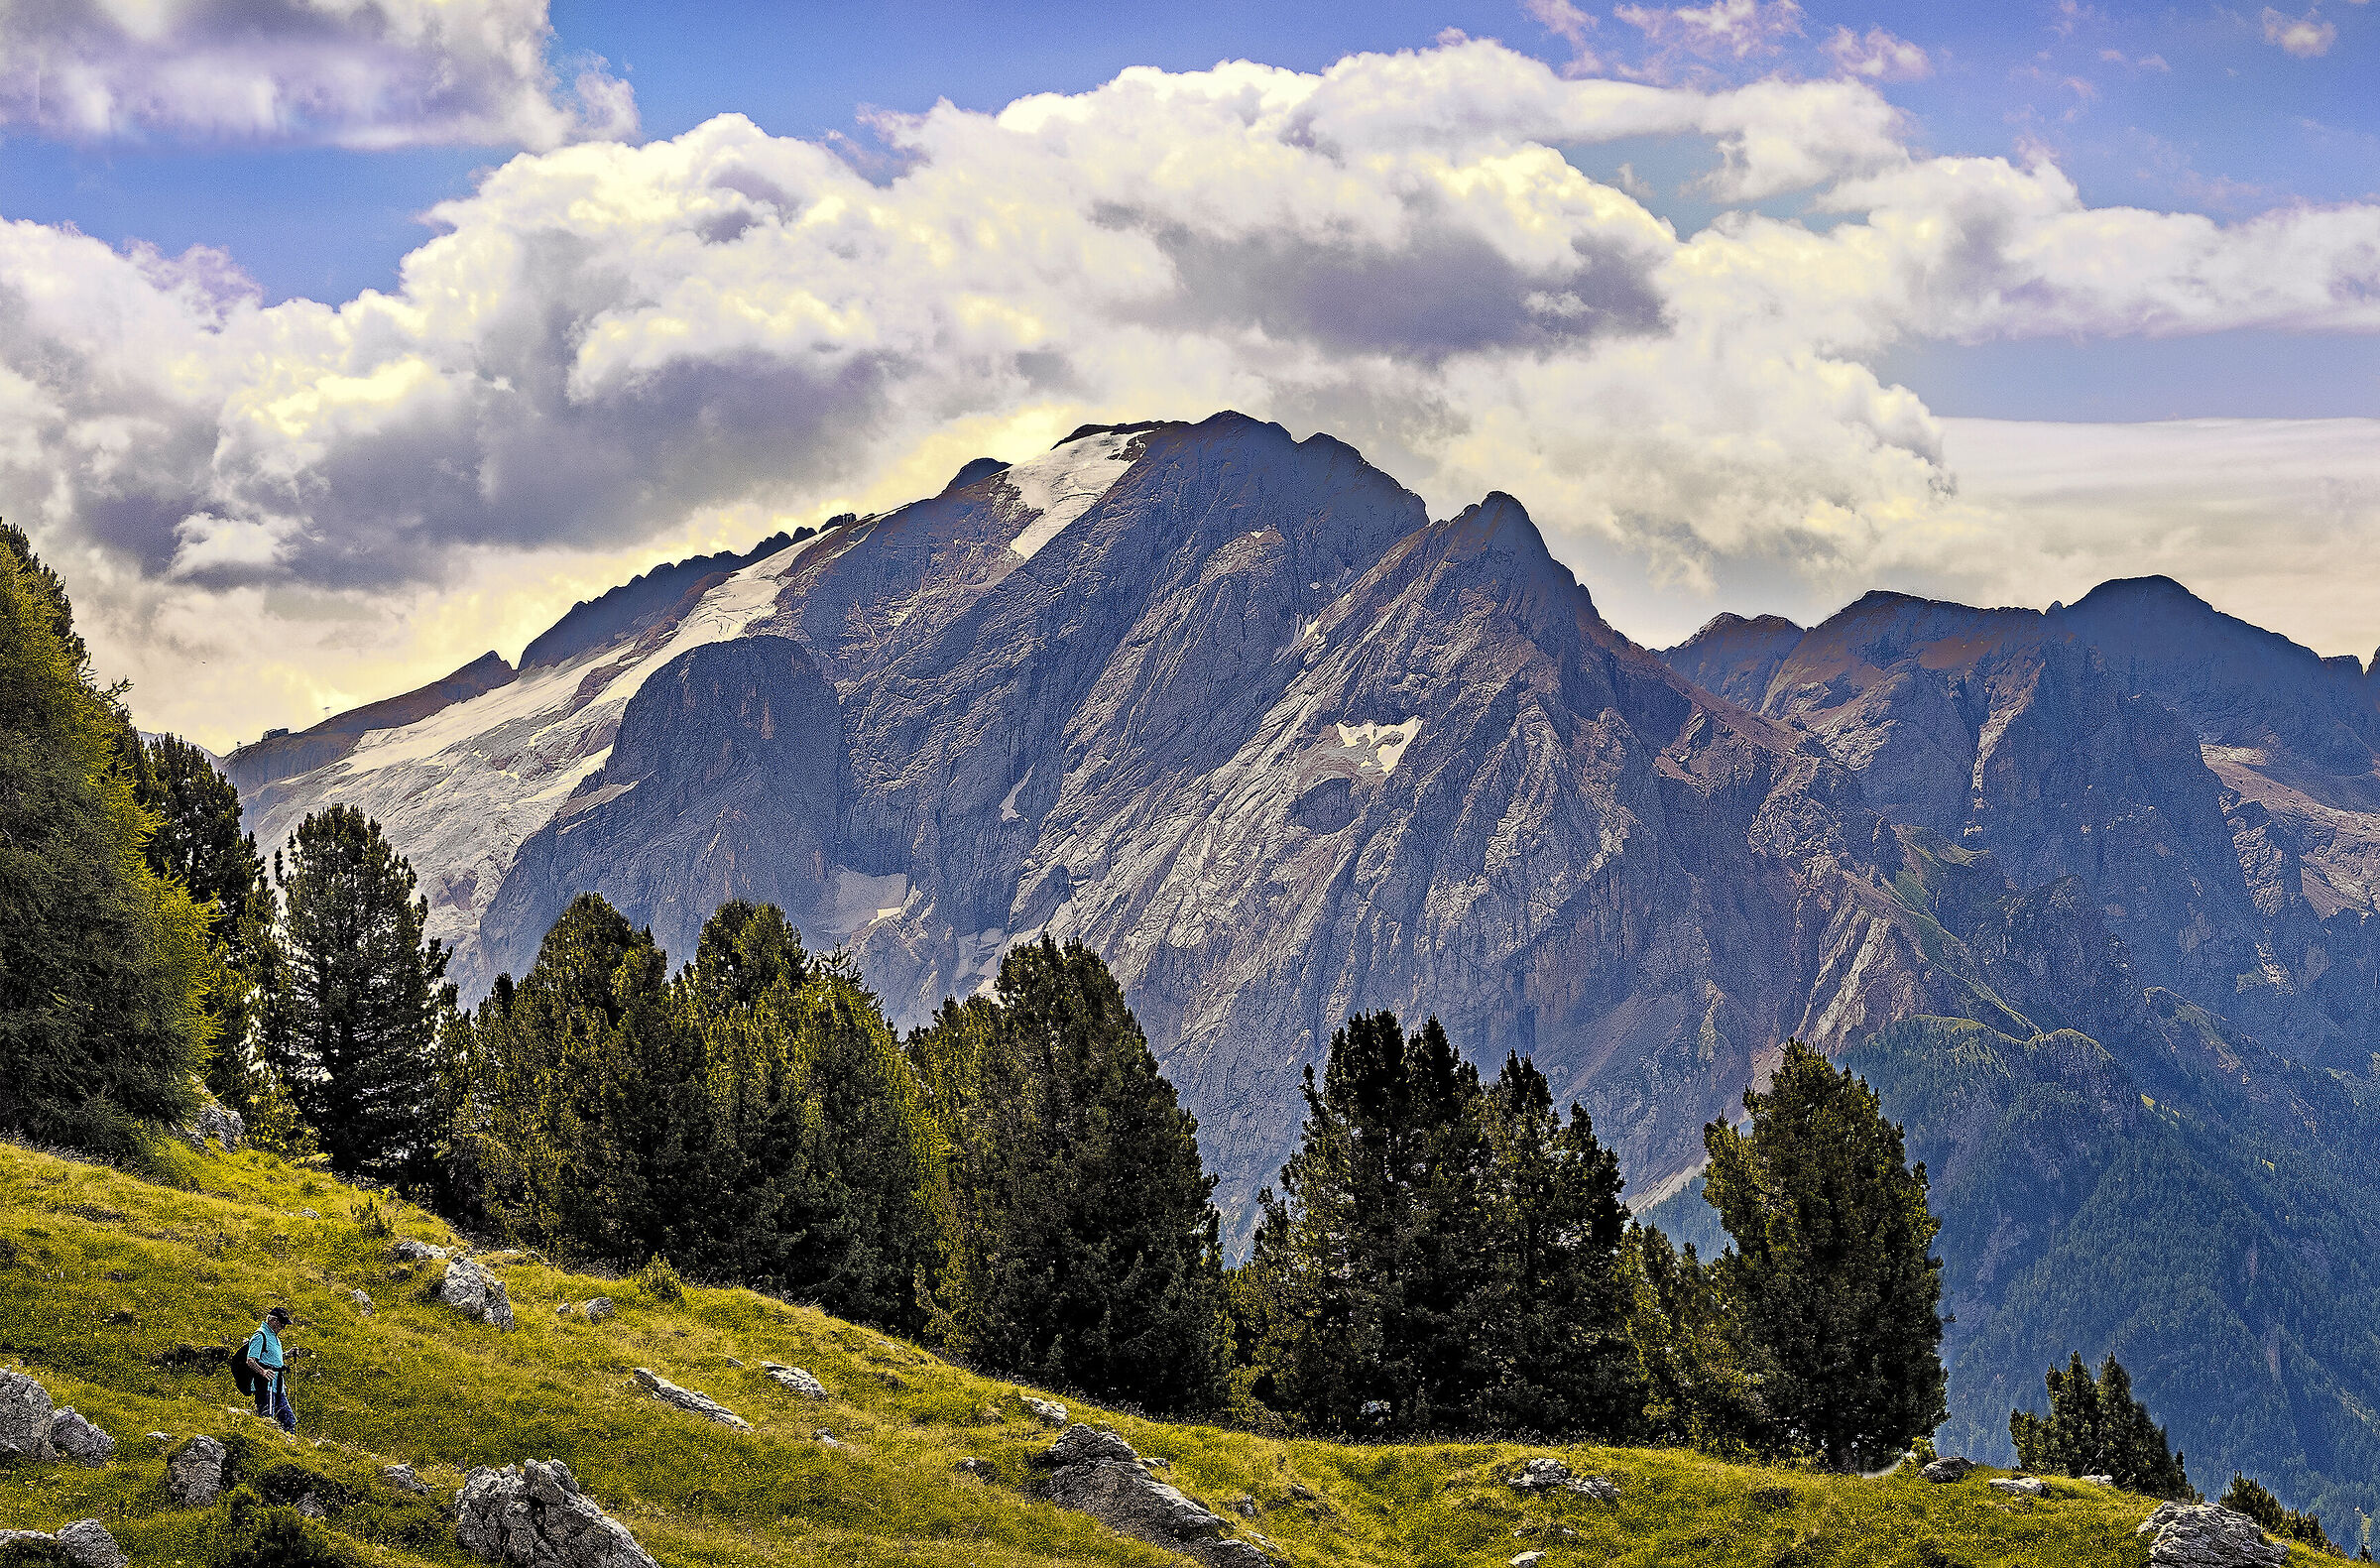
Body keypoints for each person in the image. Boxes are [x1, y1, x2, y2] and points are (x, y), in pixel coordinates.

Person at [242, 1306, 297, 1433]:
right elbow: (250, 1360)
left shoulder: (275, 1337)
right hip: (265, 1385)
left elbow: (273, 1359)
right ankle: (264, 1442)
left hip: (277, 1386)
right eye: (282, 1323)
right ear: (273, 1320)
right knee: (267, 1419)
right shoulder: (260, 1335)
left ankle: (291, 1446)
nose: (283, 1327)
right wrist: (263, 1372)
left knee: (289, 1420)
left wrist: (288, 1354)